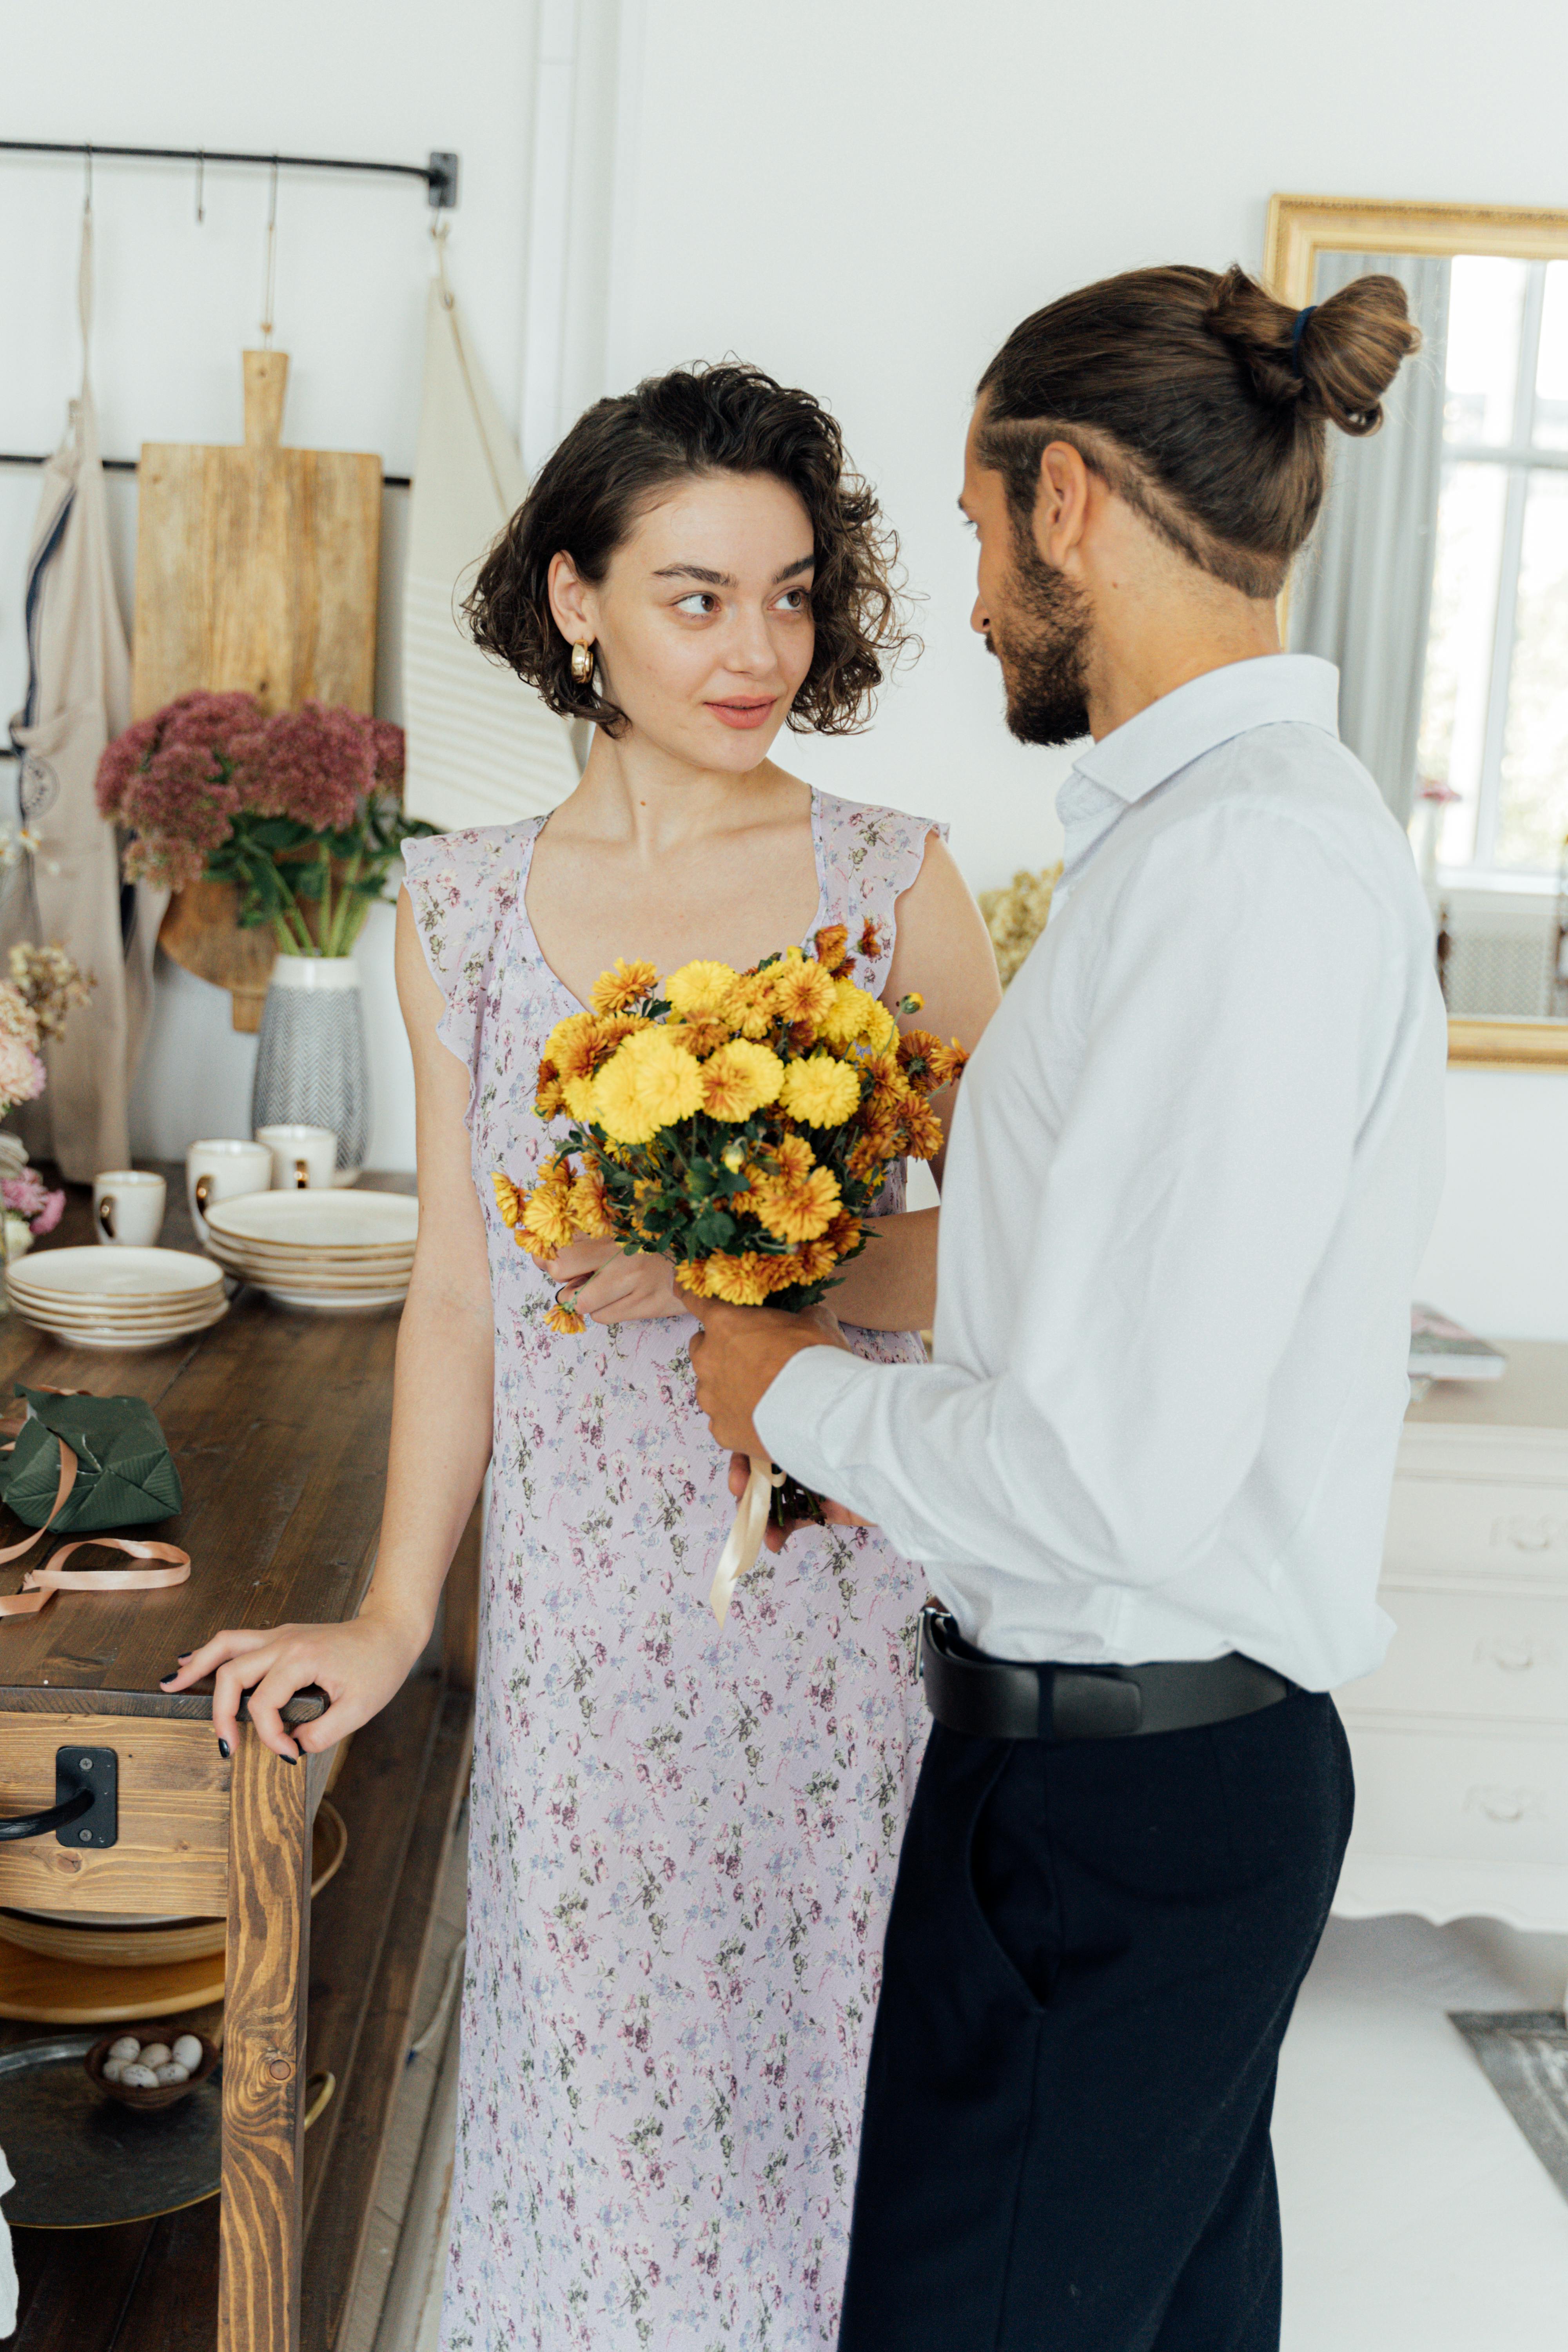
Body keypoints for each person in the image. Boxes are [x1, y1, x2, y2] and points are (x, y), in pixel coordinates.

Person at [164, 361, 1000, 2351]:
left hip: (836, 1602)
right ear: (574, 602)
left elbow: (1024, 1258)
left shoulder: (897, 880)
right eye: (698, 595)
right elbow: (458, 1291)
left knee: (821, 2109)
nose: (757, 649)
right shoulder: (454, 899)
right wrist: (383, 1621)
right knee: (600, 2125)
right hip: (586, 1632)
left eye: (793, 595)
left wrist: (767, 1290)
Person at [688, 267, 1449, 2352]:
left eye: (975, 524)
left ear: (1071, 503)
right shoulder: (1203, 849)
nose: (980, 596)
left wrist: (788, 1395)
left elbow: (1104, 1474)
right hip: (1118, 1791)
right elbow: (1097, 1365)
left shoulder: (1245, 880)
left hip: (1122, 1816)